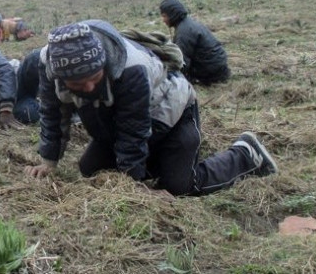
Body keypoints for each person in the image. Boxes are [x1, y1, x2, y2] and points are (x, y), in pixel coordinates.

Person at [24, 21, 277, 196]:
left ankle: (245, 154)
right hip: (113, 122)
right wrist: (49, 160)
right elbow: (53, 112)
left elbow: (133, 131)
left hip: (170, 115)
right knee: (90, 170)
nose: (89, 87)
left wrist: (131, 185)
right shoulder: (50, 65)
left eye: (95, 77)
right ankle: (154, 164)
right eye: (78, 84)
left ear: (104, 62)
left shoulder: (132, 68)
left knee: (180, 186)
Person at [159, 0, 231, 85]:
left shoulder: (184, 31)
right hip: (218, 67)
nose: (163, 20)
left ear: (172, 14)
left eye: (164, 16)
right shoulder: (188, 23)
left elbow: (181, 61)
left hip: (212, 73)